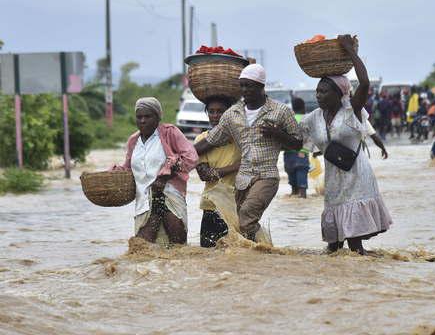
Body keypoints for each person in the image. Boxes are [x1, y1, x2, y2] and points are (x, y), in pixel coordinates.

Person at [300, 34, 392, 255]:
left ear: (339, 93)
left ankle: (358, 283)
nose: (319, 95)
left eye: (324, 91)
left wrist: (350, 50)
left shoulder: (352, 111)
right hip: (334, 178)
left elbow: (365, 83)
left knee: (353, 246)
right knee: (333, 246)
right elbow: (296, 140)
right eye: (317, 91)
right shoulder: (314, 117)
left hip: (356, 176)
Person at [194, 64, 302, 241]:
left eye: (249, 85)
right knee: (239, 225)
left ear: (261, 86)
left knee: (246, 215)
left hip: (266, 175)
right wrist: (181, 153)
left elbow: (298, 143)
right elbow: (211, 139)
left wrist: (277, 134)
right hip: (243, 179)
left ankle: (260, 252)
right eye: (242, 85)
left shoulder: (280, 111)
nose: (244, 90)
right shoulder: (232, 114)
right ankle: (259, 252)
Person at [113, 97, 199, 245]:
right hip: (144, 200)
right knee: (142, 248)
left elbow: (191, 157)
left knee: (177, 247)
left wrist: (166, 175)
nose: (143, 121)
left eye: (148, 116)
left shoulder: (169, 133)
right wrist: (110, 174)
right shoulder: (134, 141)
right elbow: (127, 168)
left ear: (158, 117)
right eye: (139, 117)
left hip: (170, 196)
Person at [194, 96, 241, 247]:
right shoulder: (202, 140)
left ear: (228, 114)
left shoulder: (239, 137)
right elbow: (205, 175)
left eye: (220, 111)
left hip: (238, 205)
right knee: (208, 257)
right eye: (211, 111)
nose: (215, 116)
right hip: (211, 206)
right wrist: (237, 166)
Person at [283, 97, 310, 198]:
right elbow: (309, 138)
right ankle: (302, 196)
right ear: (304, 107)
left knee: (291, 175)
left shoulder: (288, 120)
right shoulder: (306, 119)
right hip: (301, 152)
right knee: (301, 173)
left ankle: (294, 193)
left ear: (292, 108)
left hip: (288, 153)